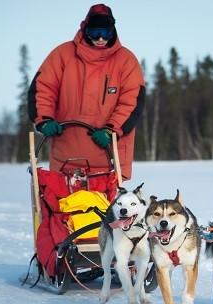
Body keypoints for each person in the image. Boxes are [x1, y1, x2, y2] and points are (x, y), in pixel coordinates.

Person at [28, 3, 145, 180]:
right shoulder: (63, 55)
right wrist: (45, 119)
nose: (100, 38)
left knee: (105, 208)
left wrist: (110, 130)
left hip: (110, 160)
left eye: (105, 33)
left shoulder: (126, 61)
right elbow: (43, 89)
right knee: (62, 207)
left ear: (113, 31)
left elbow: (131, 102)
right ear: (85, 30)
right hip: (65, 159)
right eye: (95, 32)